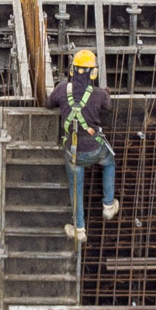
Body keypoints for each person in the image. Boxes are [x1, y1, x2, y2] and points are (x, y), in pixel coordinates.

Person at [50, 48, 118, 243]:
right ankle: (108, 205)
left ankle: (79, 229)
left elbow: (48, 104)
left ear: (72, 70)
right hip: (95, 149)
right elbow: (108, 107)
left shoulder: (62, 88)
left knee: (76, 188)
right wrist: (106, 93)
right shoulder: (99, 94)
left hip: (74, 153)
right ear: (94, 73)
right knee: (109, 162)